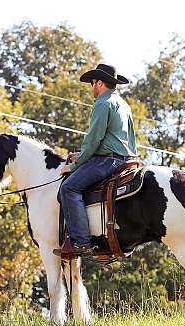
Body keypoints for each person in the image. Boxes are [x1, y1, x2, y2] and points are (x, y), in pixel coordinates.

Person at [58, 63, 138, 256]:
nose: (91, 88)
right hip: (126, 158)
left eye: (92, 83)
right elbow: (112, 139)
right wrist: (82, 155)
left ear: (100, 83)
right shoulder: (123, 104)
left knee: (68, 188)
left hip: (108, 161)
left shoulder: (103, 103)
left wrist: (75, 165)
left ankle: (81, 242)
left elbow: (94, 139)